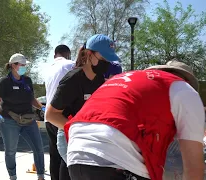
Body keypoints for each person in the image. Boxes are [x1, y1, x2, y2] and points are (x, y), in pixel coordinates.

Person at [64, 60, 204, 180]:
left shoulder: (135, 80)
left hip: (76, 153)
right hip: (115, 158)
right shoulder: (186, 91)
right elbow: (193, 167)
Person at [45, 34, 120, 179]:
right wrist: (77, 130)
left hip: (87, 137)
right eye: (103, 59)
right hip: (69, 138)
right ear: (89, 54)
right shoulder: (73, 79)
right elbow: (51, 115)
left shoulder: (100, 80)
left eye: (109, 59)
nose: (107, 63)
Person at [0, 53, 45, 180]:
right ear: (13, 66)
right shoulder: (5, 82)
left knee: (38, 148)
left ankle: (41, 176)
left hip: (28, 119)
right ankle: (13, 176)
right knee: (10, 150)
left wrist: (41, 107)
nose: (24, 67)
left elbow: (31, 99)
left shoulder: (28, 81)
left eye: (25, 65)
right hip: (9, 121)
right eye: (22, 65)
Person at [44, 45, 75, 180]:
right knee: (66, 154)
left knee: (54, 155)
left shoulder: (49, 69)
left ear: (55, 55)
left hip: (49, 118)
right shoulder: (70, 64)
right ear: (68, 54)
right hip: (61, 116)